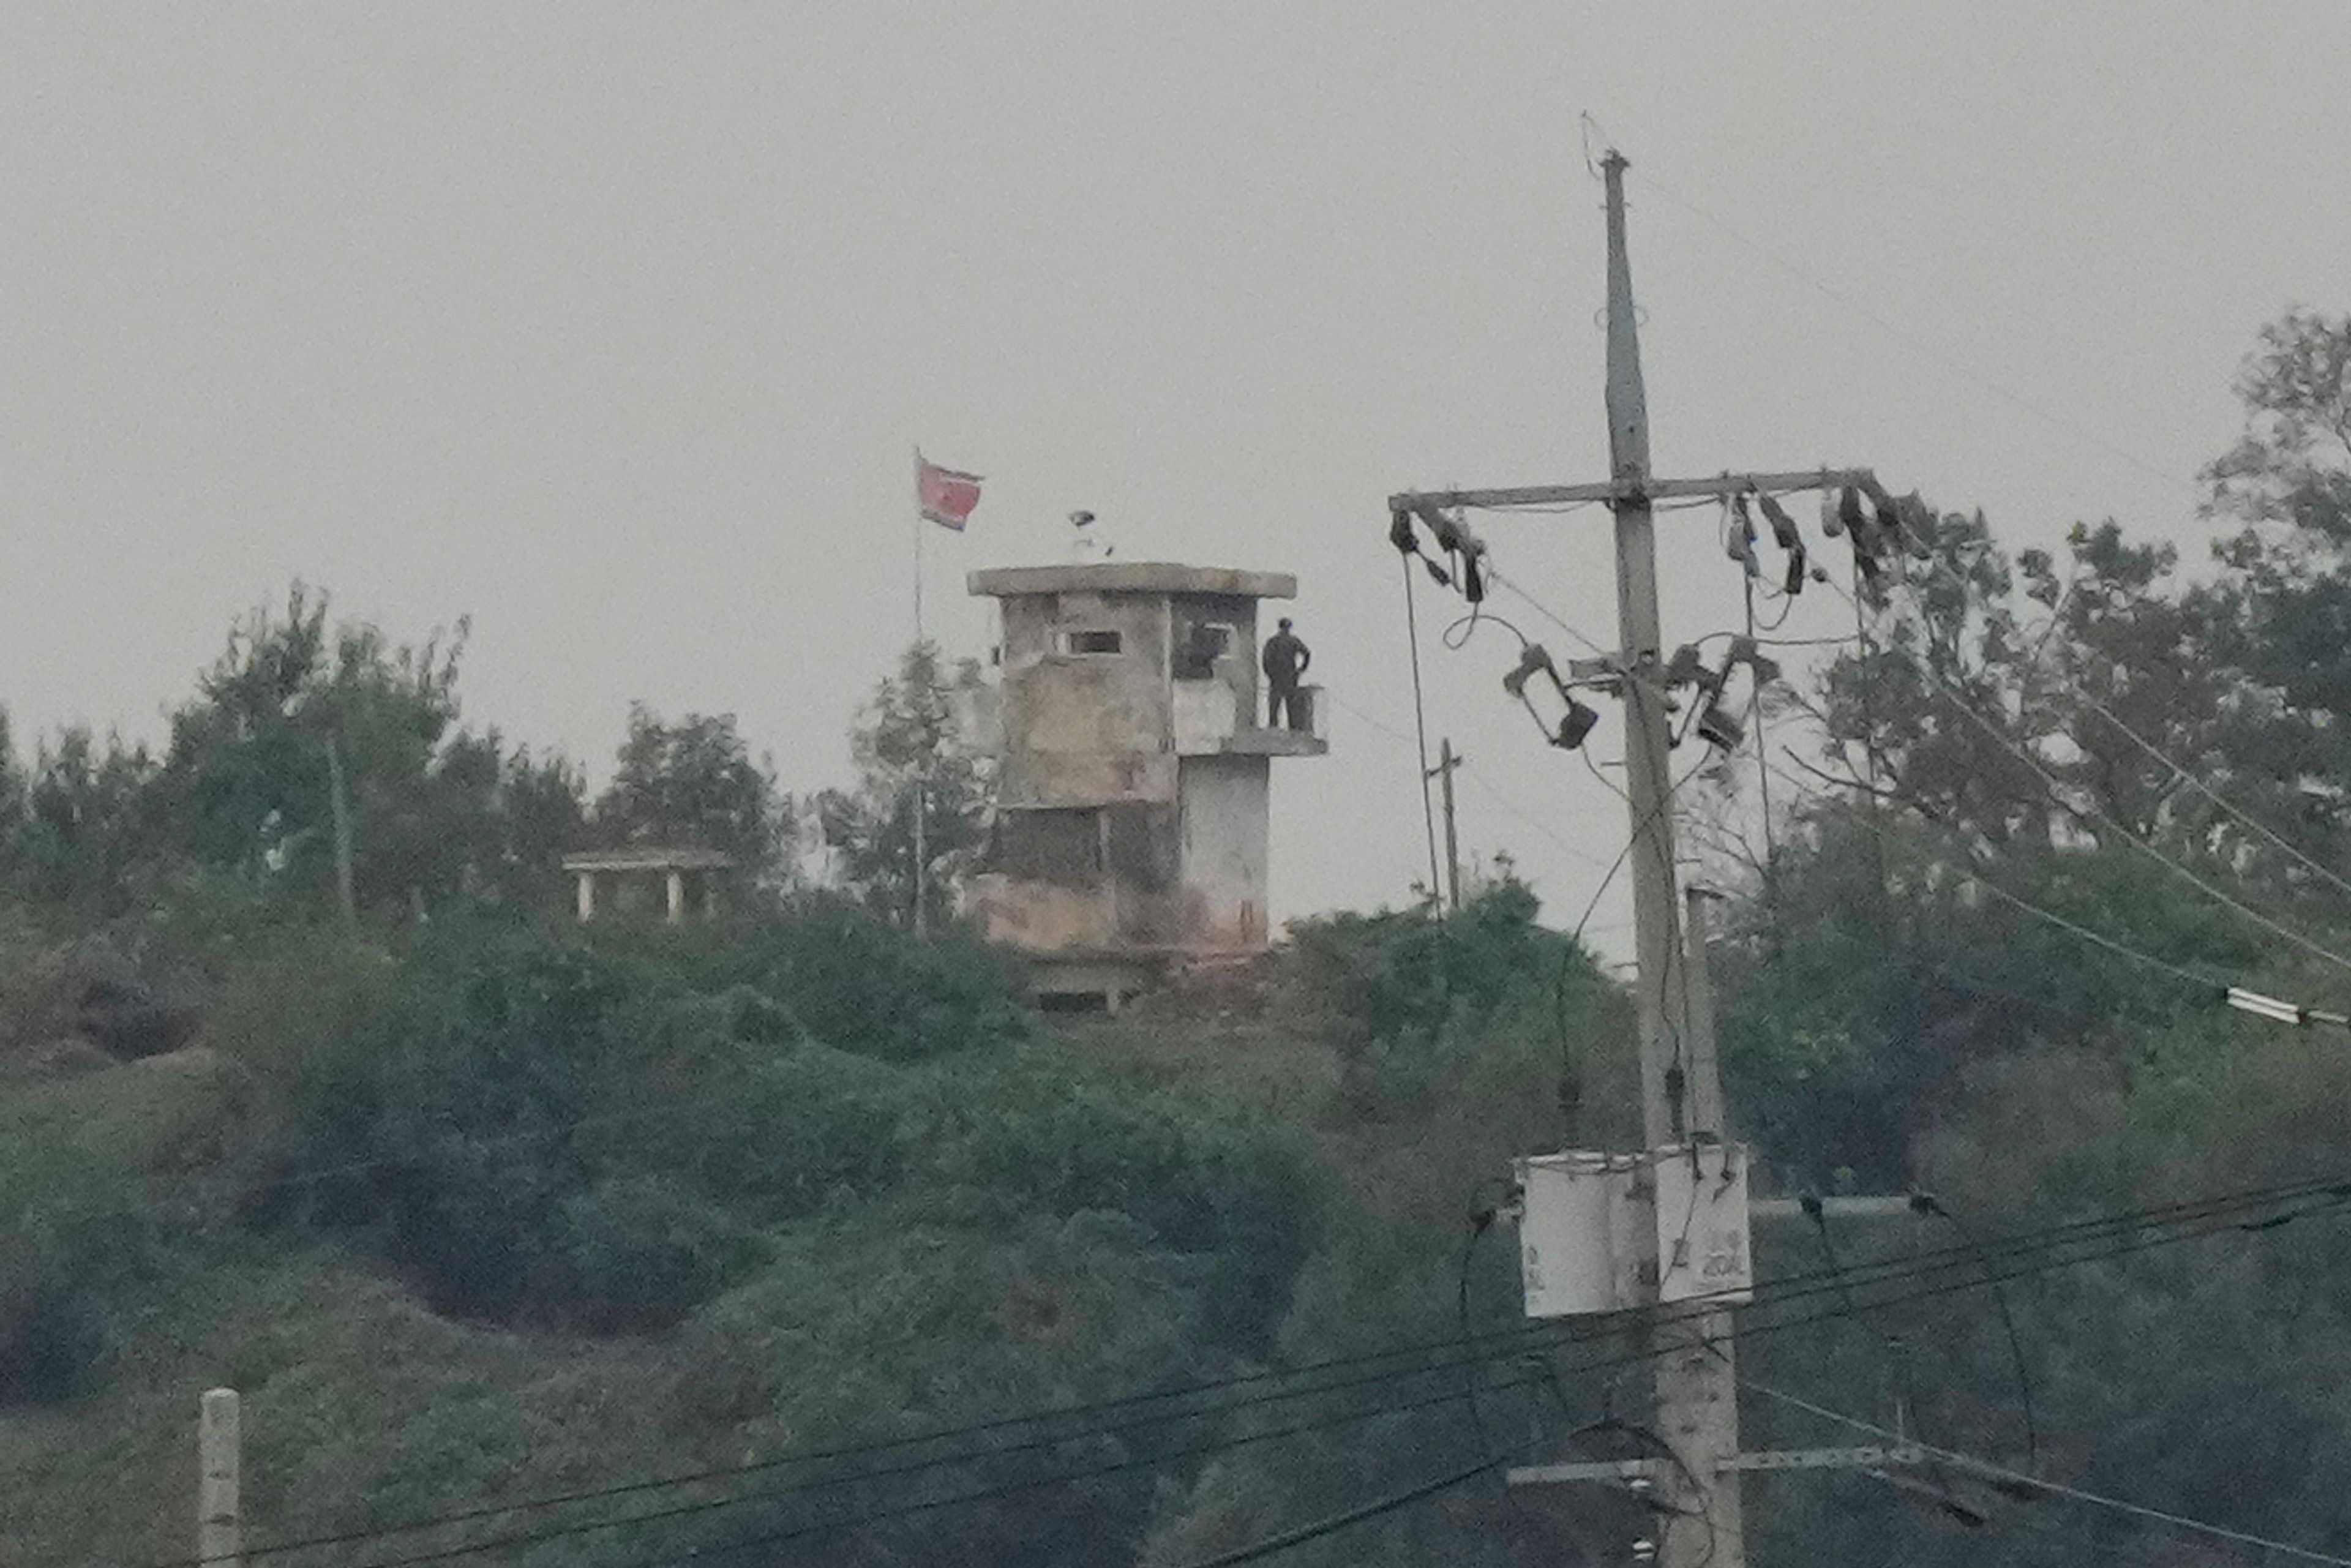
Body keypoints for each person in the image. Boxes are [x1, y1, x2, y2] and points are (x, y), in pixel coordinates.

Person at [1261, 617, 1311, 730]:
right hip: (1290, 676)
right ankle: (1292, 727)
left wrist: (1270, 673)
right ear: (1289, 628)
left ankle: (1274, 725)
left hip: (1278, 676)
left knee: (1275, 703)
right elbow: (1307, 653)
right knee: (1290, 703)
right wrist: (1301, 670)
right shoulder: (1293, 641)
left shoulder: (1273, 641)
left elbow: (1266, 659)